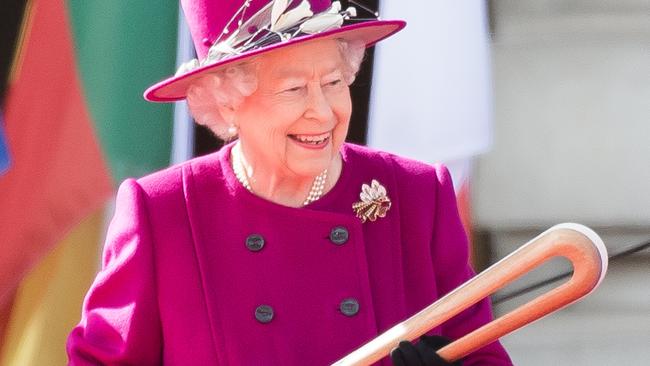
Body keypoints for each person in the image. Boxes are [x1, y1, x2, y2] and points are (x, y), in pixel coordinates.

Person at [67, 0, 512, 365]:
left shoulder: (416, 196)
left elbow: (483, 353)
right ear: (228, 103)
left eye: (335, 82)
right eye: (294, 89)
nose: (323, 111)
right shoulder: (162, 212)